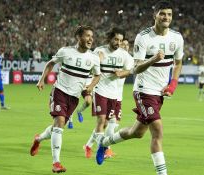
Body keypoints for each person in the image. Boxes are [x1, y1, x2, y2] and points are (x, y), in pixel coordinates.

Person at [96, 1, 184, 175]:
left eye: (169, 14)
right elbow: (135, 68)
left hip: (160, 93)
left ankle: (104, 143)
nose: (166, 17)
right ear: (155, 15)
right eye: (162, 14)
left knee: (136, 132)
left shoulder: (177, 38)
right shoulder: (143, 37)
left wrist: (173, 83)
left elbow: (178, 62)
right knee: (157, 130)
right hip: (144, 90)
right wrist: (152, 60)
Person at [29, 25, 101, 173]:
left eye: (92, 37)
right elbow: (50, 64)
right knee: (59, 122)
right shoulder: (66, 51)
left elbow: (98, 75)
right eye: (87, 36)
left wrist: (91, 86)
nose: (90, 39)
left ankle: (39, 139)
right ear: (78, 37)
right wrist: (42, 79)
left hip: (74, 98)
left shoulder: (93, 58)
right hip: (60, 91)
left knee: (58, 127)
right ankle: (56, 163)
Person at [83, 27, 134, 160]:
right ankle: (103, 148)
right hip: (100, 91)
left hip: (116, 96)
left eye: (121, 40)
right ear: (110, 38)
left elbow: (133, 69)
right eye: (116, 39)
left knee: (109, 124)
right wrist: (97, 62)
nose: (119, 43)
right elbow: (89, 69)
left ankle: (89, 145)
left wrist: (122, 73)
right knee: (102, 122)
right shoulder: (99, 51)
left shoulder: (125, 56)